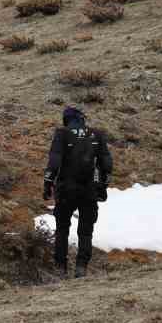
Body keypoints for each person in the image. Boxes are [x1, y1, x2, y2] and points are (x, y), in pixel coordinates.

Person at [43, 106, 113, 278]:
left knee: (62, 229)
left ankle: (61, 269)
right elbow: (107, 164)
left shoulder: (62, 133)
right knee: (86, 230)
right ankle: (81, 267)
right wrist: (102, 185)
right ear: (82, 118)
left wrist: (48, 182)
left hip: (66, 189)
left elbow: (54, 160)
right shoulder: (96, 134)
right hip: (89, 190)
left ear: (66, 119)